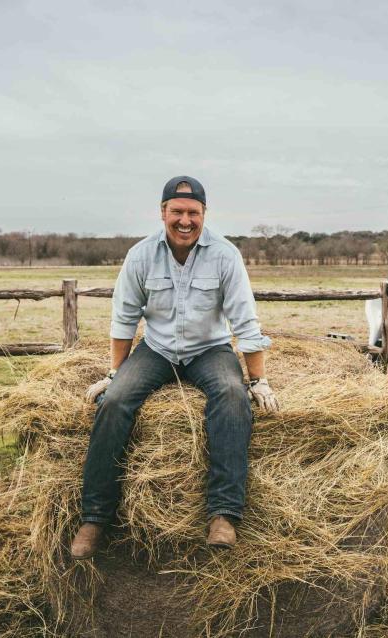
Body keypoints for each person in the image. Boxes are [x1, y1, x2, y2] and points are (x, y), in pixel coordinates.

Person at [70, 176, 279, 560]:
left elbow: (245, 322)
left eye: (193, 213)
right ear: (163, 212)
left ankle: (224, 515)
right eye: (177, 212)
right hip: (158, 349)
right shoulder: (141, 255)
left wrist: (259, 381)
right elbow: (124, 320)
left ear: (204, 214)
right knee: (114, 402)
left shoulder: (225, 255)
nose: (185, 221)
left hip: (210, 349)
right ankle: (95, 518)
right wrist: (116, 373)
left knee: (233, 397)